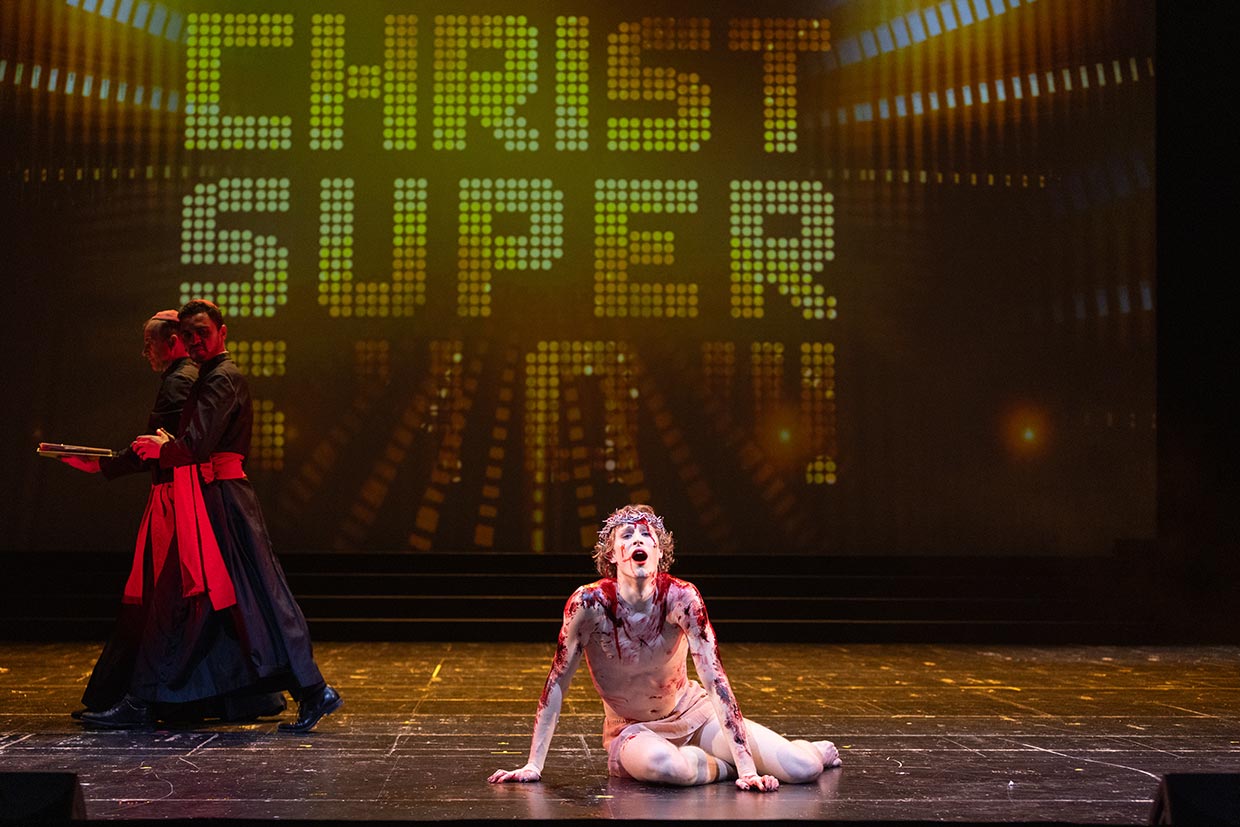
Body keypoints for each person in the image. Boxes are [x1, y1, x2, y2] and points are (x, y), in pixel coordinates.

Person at [81, 299, 342, 733]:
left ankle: (311, 689)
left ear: (222, 331)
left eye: (202, 332)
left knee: (247, 597)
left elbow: (196, 445)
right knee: (211, 599)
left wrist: (161, 448)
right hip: (211, 499)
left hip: (221, 504)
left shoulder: (221, 378)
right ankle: (146, 699)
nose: (195, 341)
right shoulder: (210, 376)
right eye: (188, 336)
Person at [488, 504, 841, 791]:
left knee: (802, 769)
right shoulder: (589, 605)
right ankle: (723, 767)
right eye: (627, 535)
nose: (637, 539)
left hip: (693, 714)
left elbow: (715, 680)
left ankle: (805, 751)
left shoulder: (682, 598)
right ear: (612, 554)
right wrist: (534, 764)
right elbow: (557, 682)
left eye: (646, 535)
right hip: (633, 729)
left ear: (659, 551)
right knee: (667, 767)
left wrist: (750, 768)